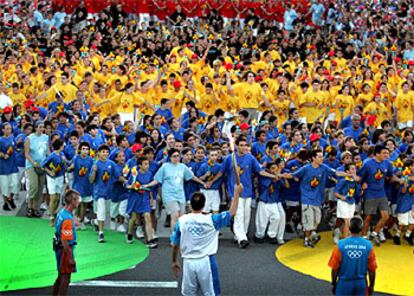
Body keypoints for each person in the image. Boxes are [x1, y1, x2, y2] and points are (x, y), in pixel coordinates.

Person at [171, 183, 243, 296]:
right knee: (211, 293)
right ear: (204, 205)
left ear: (191, 205)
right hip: (206, 262)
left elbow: (175, 244)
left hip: (188, 262)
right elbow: (232, 212)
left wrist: (174, 261)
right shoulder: (212, 220)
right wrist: (236, 193)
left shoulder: (181, 221)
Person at [144, 148, 207, 232]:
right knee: (175, 214)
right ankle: (173, 238)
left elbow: (192, 177)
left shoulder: (182, 166)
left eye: (178, 156)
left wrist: (202, 183)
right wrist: (148, 185)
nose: (176, 158)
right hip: (169, 194)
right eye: (174, 156)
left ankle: (180, 236)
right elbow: (157, 179)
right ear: (170, 157)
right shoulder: (165, 167)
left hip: (180, 194)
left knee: (181, 216)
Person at [328, 217, 377, 296]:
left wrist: (334, 283)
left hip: (344, 283)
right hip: (361, 283)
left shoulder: (340, 244)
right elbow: (372, 269)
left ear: (349, 228)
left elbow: (335, 268)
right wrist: (371, 286)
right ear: (361, 229)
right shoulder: (368, 245)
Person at [52, 189, 81, 296]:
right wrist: (70, 258)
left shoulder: (62, 213)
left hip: (59, 248)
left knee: (60, 276)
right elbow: (65, 241)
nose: (79, 202)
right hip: (65, 251)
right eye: (77, 199)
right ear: (72, 201)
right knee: (65, 278)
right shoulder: (68, 219)